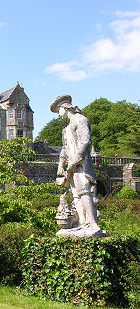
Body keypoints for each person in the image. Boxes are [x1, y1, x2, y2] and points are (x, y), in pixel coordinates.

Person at [50, 95, 106, 238]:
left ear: (65, 107)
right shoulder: (66, 128)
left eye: (58, 110)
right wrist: (61, 165)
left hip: (81, 164)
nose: (58, 114)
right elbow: (64, 148)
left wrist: (76, 158)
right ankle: (83, 223)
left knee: (85, 191)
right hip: (71, 166)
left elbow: (86, 141)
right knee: (75, 194)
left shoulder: (81, 120)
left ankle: (93, 224)